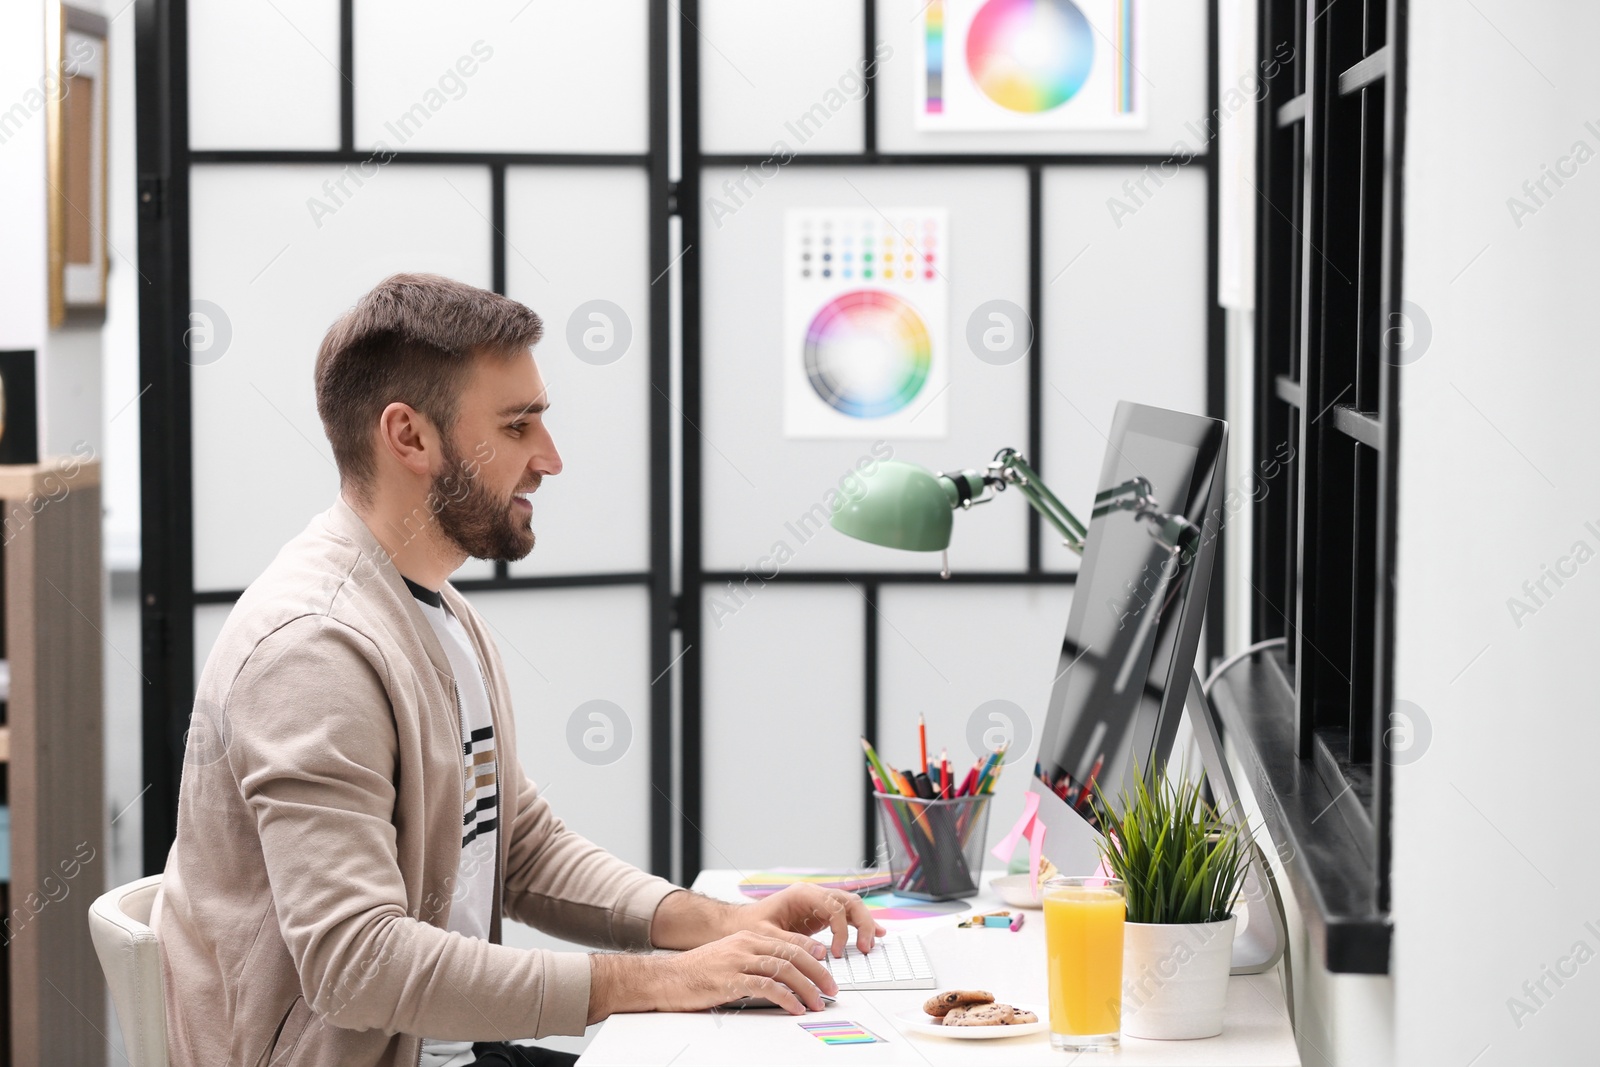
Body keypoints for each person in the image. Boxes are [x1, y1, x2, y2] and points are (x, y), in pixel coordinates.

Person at [153, 273, 884, 1067]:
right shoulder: (312, 649)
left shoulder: (433, 609)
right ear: (411, 437)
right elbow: (354, 962)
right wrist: (657, 982)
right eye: (517, 425)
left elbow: (521, 847)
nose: (550, 458)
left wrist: (722, 925)